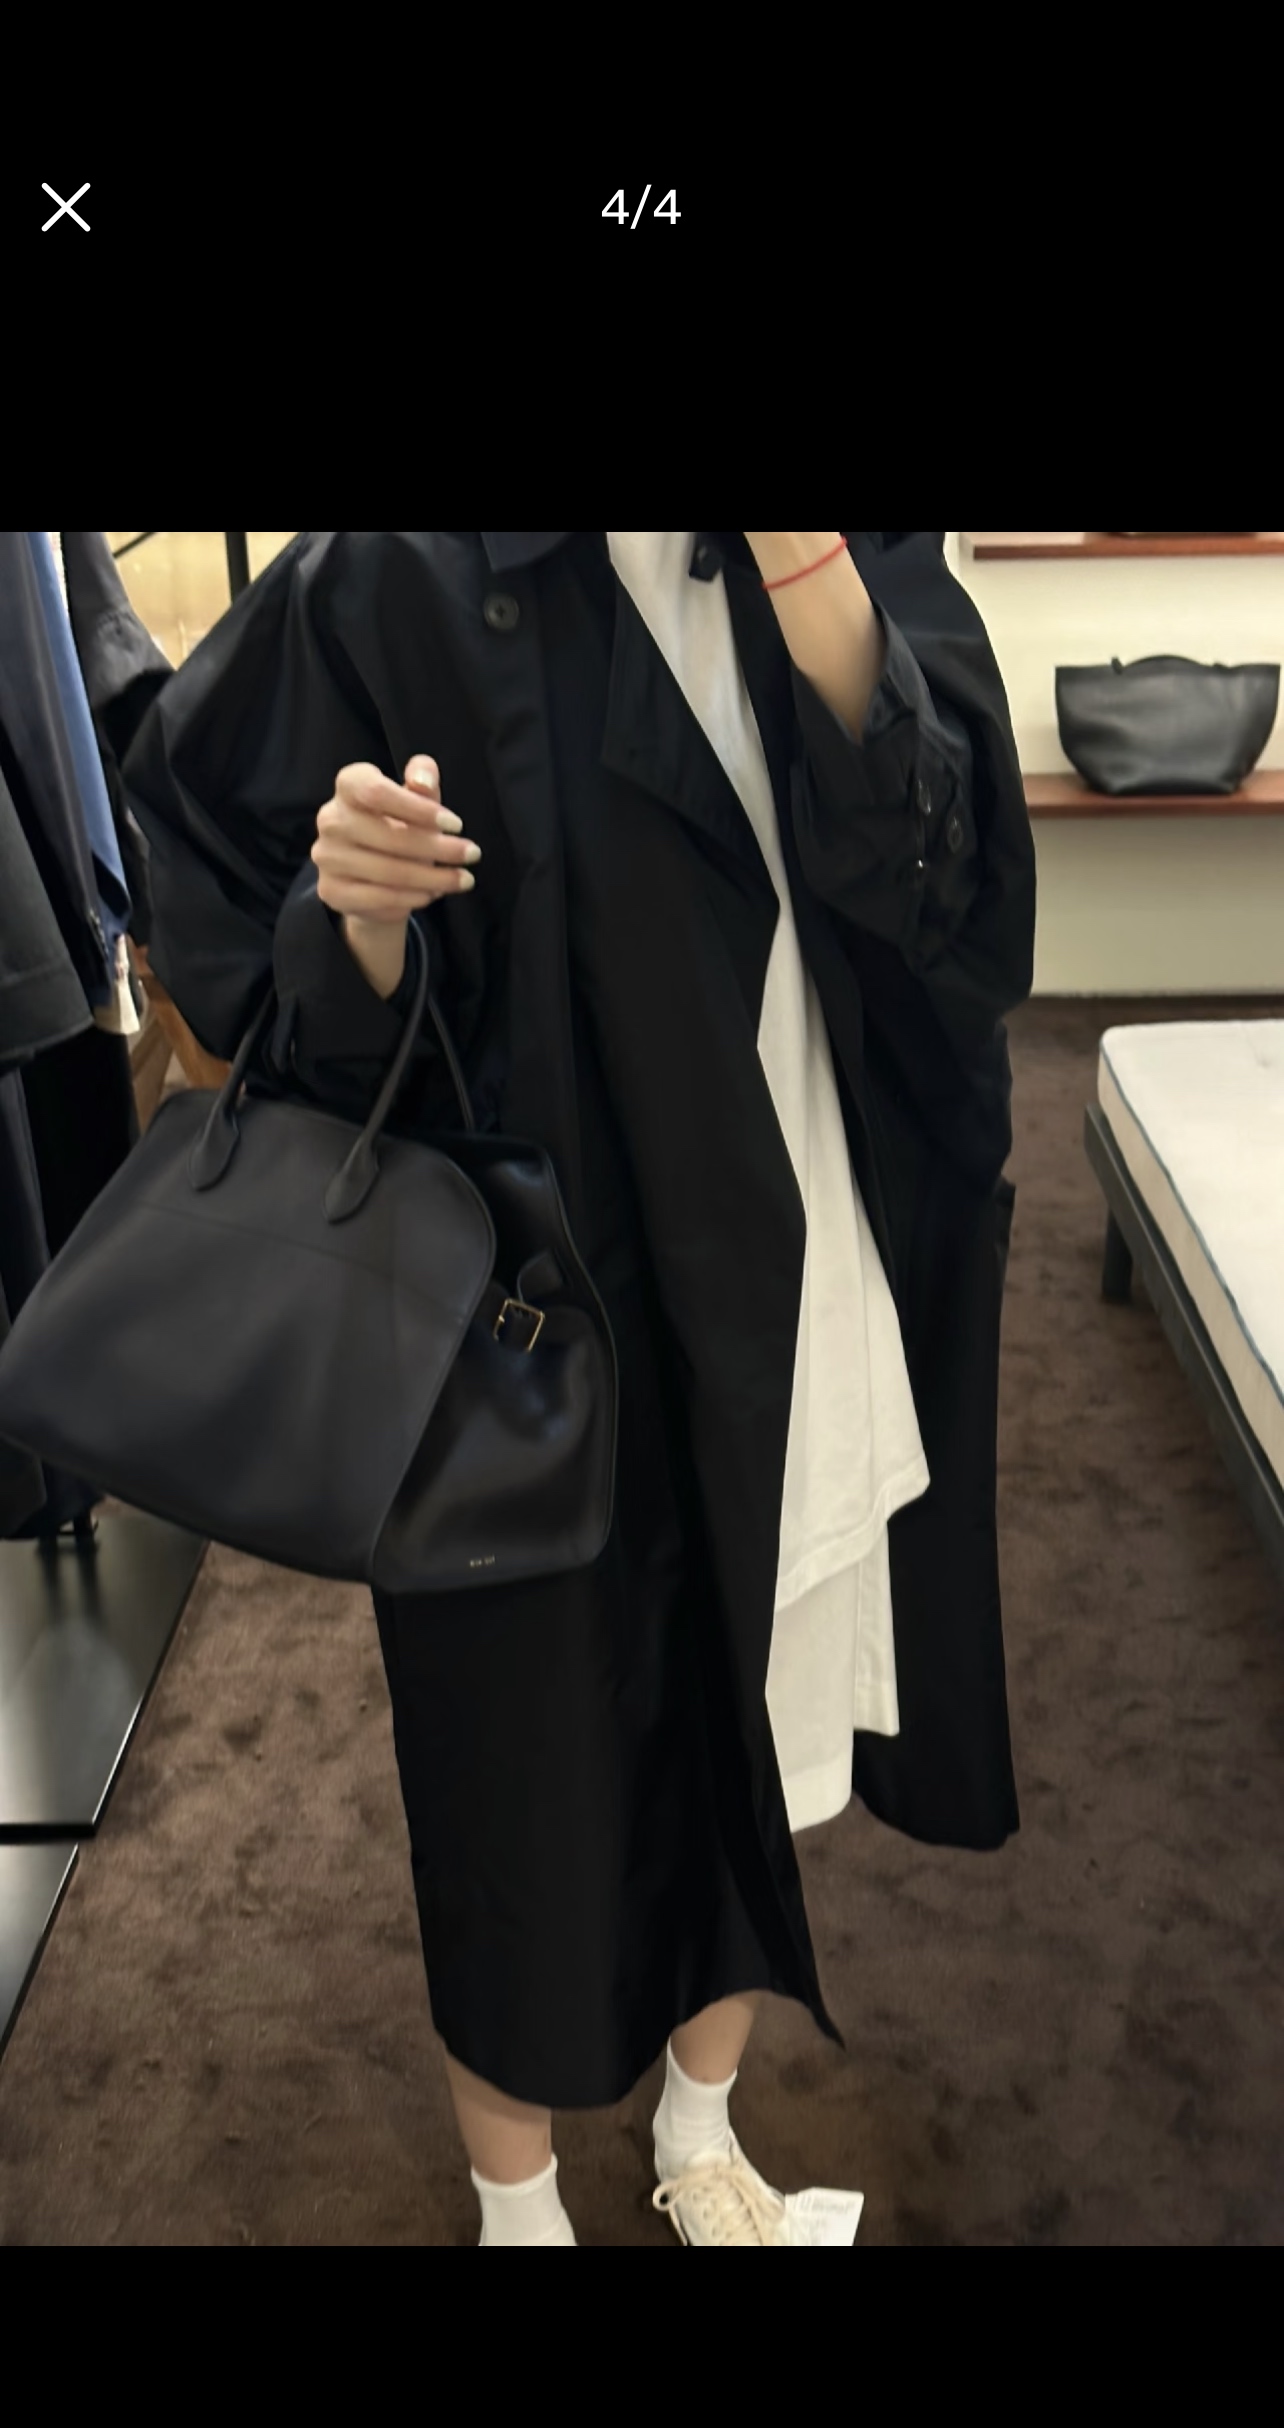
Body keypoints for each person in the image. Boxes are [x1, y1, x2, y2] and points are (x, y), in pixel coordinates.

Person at [123, 531, 1037, 2248]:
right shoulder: (395, 569)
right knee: (518, 1764)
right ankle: (518, 2203)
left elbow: (955, 911)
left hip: (795, 1251)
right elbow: (225, 881)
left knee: (756, 1716)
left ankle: (700, 2127)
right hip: (533, 1301)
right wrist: (353, 916)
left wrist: (811, 565)